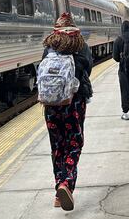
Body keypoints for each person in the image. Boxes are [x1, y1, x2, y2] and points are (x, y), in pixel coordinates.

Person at [41, 12, 93, 211]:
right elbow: (87, 69)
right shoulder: (80, 46)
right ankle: (66, 183)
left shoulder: (49, 47)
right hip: (74, 104)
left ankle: (58, 193)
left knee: (57, 147)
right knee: (74, 143)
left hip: (51, 106)